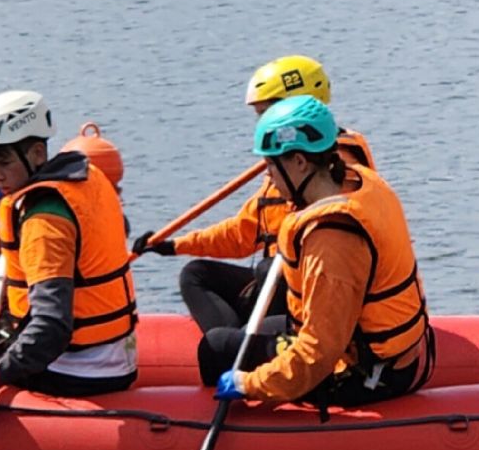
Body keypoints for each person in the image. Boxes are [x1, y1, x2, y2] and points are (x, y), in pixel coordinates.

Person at [0, 90, 139, 399]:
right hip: (117, 360)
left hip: (70, 372)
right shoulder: (88, 177)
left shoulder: (44, 222)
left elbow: (52, 328)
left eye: (4, 162)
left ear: (37, 155)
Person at [205, 95, 432, 408]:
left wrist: (249, 383)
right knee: (243, 334)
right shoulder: (359, 179)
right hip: (379, 350)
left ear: (300, 162)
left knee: (216, 348)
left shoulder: (332, 240)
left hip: (363, 373)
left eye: (272, 164)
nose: (267, 175)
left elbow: (318, 355)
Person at [129, 55, 379, 334]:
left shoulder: (338, 165)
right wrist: (174, 245)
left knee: (270, 269)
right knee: (195, 274)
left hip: (310, 287)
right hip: (274, 284)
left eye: (265, 114)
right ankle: (236, 347)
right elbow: (242, 234)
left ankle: (249, 348)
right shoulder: (282, 167)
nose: (259, 124)